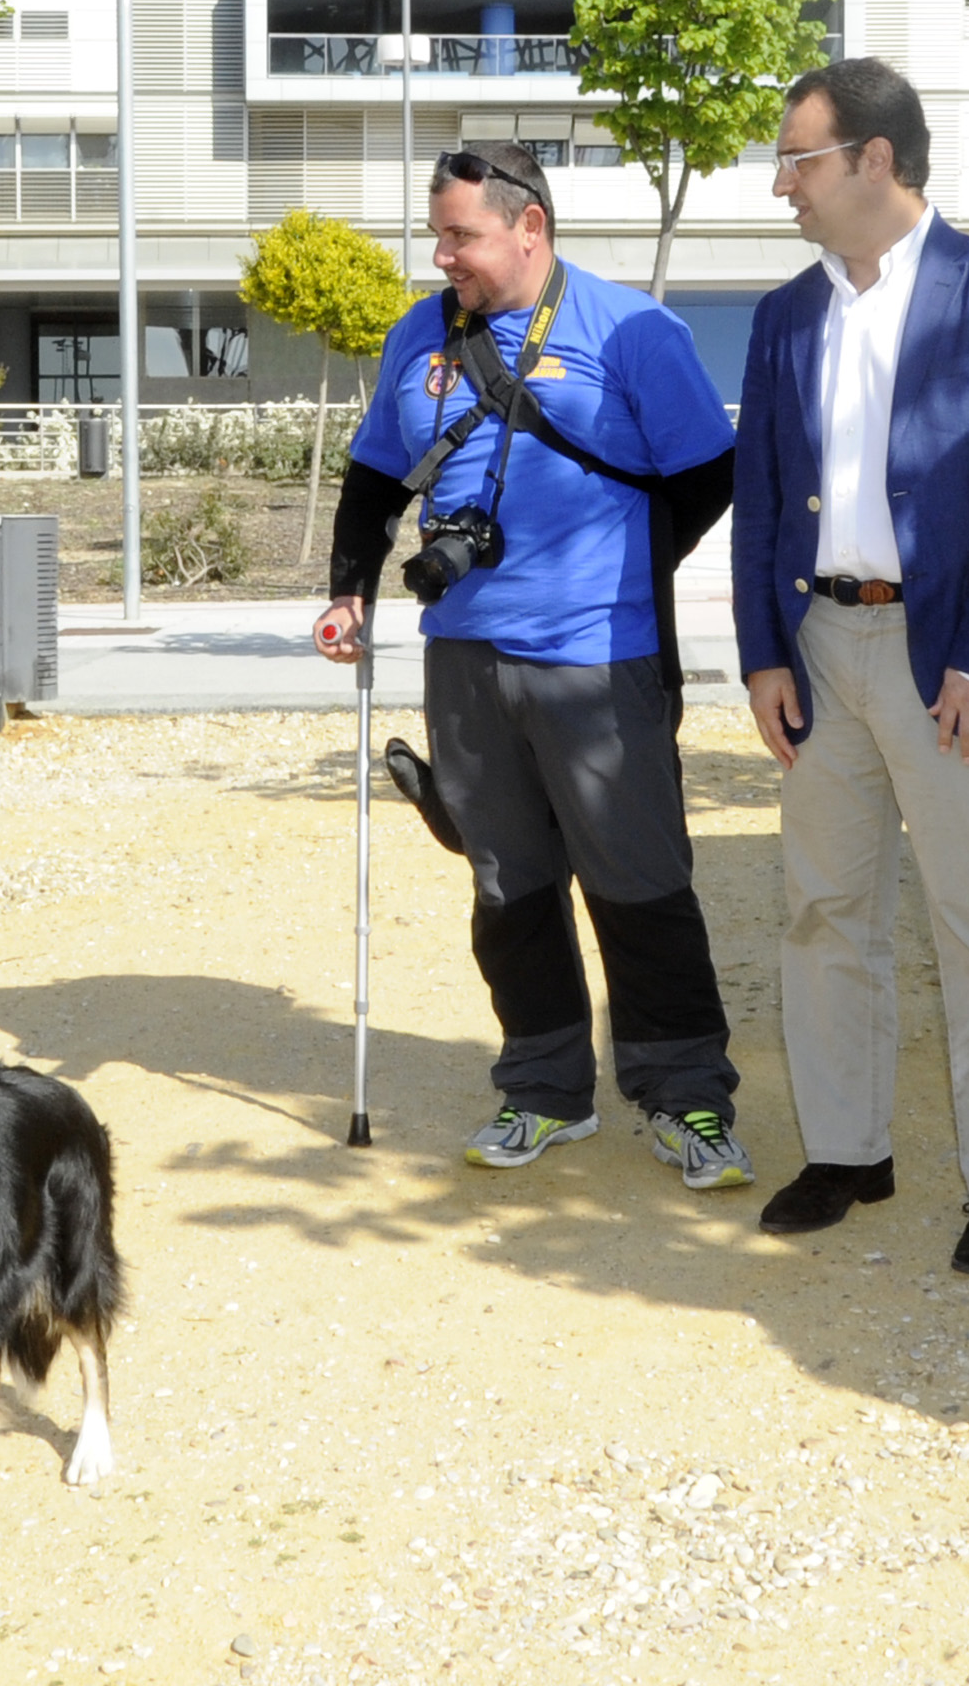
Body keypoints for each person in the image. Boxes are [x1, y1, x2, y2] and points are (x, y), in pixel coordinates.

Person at [315, 140, 750, 1187]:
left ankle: (685, 1095)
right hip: (464, 656)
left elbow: (707, 474)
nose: (442, 256)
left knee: (639, 884)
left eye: (459, 236)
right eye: (437, 235)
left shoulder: (629, 330)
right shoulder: (418, 333)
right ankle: (546, 1091)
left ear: (530, 228)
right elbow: (375, 476)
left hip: (601, 656)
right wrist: (349, 588)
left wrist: (618, 565)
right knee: (508, 885)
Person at [730, 59, 969, 1279]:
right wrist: (763, 657)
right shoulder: (785, 316)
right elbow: (761, 499)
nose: (783, 185)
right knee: (825, 912)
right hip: (820, 651)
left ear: (874, 159)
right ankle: (846, 1152)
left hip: (955, 664)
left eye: (799, 159)